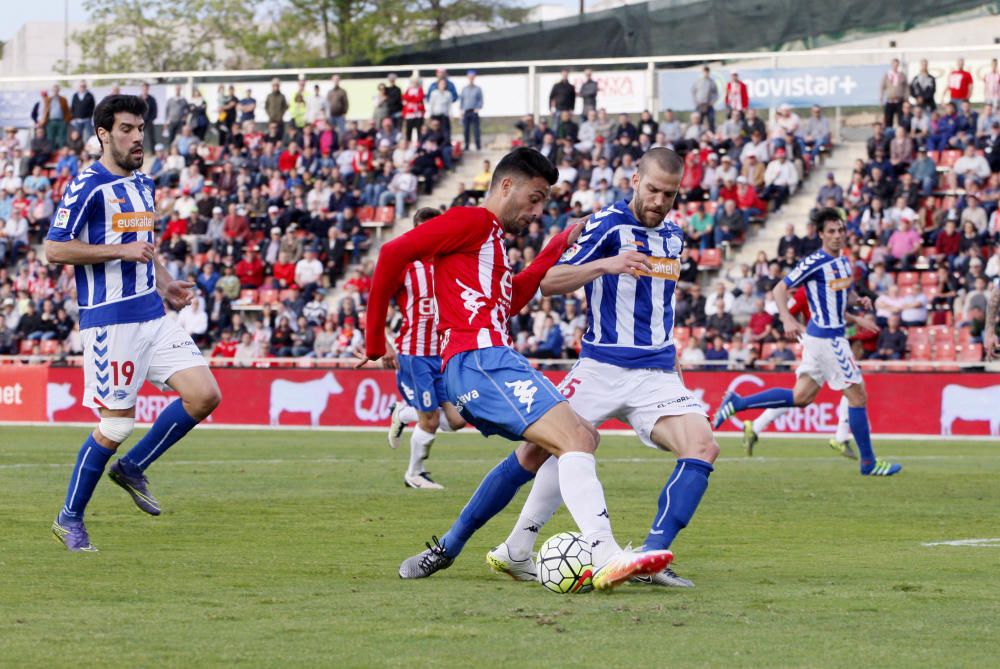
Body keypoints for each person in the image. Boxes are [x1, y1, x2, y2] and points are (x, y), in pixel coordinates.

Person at [359, 147, 673, 589]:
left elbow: (513, 300)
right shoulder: (471, 221)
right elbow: (392, 253)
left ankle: (455, 548)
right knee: (579, 437)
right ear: (507, 185)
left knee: (550, 446)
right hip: (481, 360)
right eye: (536, 197)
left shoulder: (489, 242)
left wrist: (554, 247)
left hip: (484, 362)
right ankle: (604, 554)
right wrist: (375, 340)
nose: (537, 210)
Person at [487, 147, 720, 589]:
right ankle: (508, 547)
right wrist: (607, 264)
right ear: (634, 179)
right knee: (539, 450)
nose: (658, 201)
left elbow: (659, 310)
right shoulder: (606, 224)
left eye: (669, 195)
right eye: (652, 189)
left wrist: (675, 369)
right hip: (600, 367)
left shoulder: (673, 237)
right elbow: (548, 282)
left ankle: (650, 556)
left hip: (655, 373)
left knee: (703, 447)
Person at [44, 94, 222, 552]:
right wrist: (117, 251)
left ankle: (133, 467)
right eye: (126, 128)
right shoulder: (88, 185)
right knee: (117, 424)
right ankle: (69, 518)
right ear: (103, 134)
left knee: (204, 395)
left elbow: (143, 244)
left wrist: (164, 283)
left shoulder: (142, 183)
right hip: (111, 322)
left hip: (152, 313)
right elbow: (56, 249)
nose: (137, 136)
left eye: (140, 128)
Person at [712, 208, 901, 477]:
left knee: (801, 397)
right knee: (858, 396)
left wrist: (858, 304)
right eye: (831, 232)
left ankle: (738, 402)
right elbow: (779, 289)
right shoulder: (815, 261)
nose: (837, 236)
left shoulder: (844, 262)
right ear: (821, 234)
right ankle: (868, 463)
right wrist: (787, 319)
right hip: (829, 340)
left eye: (840, 231)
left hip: (824, 339)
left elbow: (841, 294)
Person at [382, 207, 468, 488]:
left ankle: (404, 413)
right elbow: (376, 304)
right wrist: (384, 344)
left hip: (441, 354)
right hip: (414, 353)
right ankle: (414, 474)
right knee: (429, 422)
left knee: (457, 420)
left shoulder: (450, 263)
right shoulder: (404, 265)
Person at [459, 71, 483, 152]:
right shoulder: (464, 89)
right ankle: (466, 145)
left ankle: (478, 145)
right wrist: (461, 110)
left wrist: (478, 107)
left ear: (474, 77)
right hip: (466, 111)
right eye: (470, 76)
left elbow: (480, 100)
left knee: (476, 129)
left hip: (474, 111)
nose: (471, 78)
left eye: (472, 76)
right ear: (468, 77)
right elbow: (461, 100)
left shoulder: (478, 89)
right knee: (466, 130)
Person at [691, 66, 719, 132]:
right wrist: (696, 102)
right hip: (699, 105)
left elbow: (716, 93)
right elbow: (693, 91)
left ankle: (712, 135)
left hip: (708, 105)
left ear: (709, 72)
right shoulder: (698, 81)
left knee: (711, 119)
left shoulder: (712, 82)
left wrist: (712, 102)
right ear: (703, 72)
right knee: (697, 121)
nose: (706, 73)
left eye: (707, 71)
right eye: (705, 71)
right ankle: (697, 134)